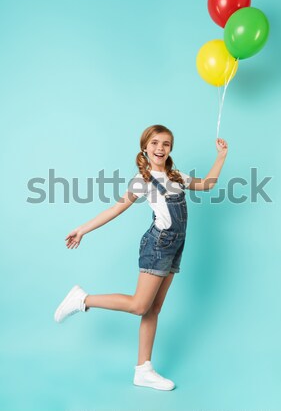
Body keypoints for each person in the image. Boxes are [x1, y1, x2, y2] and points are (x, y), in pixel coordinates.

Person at [54, 124, 228, 391]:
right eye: (155, 143)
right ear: (145, 147)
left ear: (170, 149)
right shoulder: (143, 180)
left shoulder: (176, 175)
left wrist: (220, 157)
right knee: (139, 306)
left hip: (176, 246)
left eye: (166, 144)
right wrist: (83, 229)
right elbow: (115, 209)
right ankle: (82, 299)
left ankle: (143, 370)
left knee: (153, 309)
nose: (160, 148)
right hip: (158, 245)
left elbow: (206, 185)